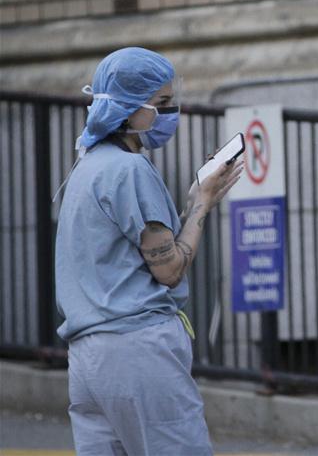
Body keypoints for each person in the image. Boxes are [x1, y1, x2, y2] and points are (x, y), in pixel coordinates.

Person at [54, 47, 243, 455]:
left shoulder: (86, 167)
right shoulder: (131, 169)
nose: (170, 112)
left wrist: (193, 199)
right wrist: (202, 205)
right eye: (161, 103)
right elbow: (169, 268)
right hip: (138, 353)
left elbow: (135, 251)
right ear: (127, 107)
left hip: (87, 359)